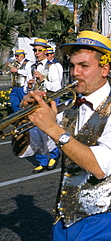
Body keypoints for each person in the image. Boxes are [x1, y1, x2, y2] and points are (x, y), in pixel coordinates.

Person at [14, 30, 111, 240]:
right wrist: (22, 118)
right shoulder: (67, 108)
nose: (75, 72)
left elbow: (100, 168)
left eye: (84, 66)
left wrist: (54, 129)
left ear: (104, 69)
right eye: (72, 66)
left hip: (102, 216)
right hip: (64, 215)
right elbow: (27, 149)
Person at [25, 38, 63, 173]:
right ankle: (42, 161)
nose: (36, 52)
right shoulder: (31, 67)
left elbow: (57, 87)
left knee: (49, 130)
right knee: (35, 133)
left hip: (49, 102)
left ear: (45, 51)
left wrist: (43, 80)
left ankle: (54, 154)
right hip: (35, 102)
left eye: (39, 50)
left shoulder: (52, 67)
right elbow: (26, 89)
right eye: (34, 50)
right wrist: (29, 86)